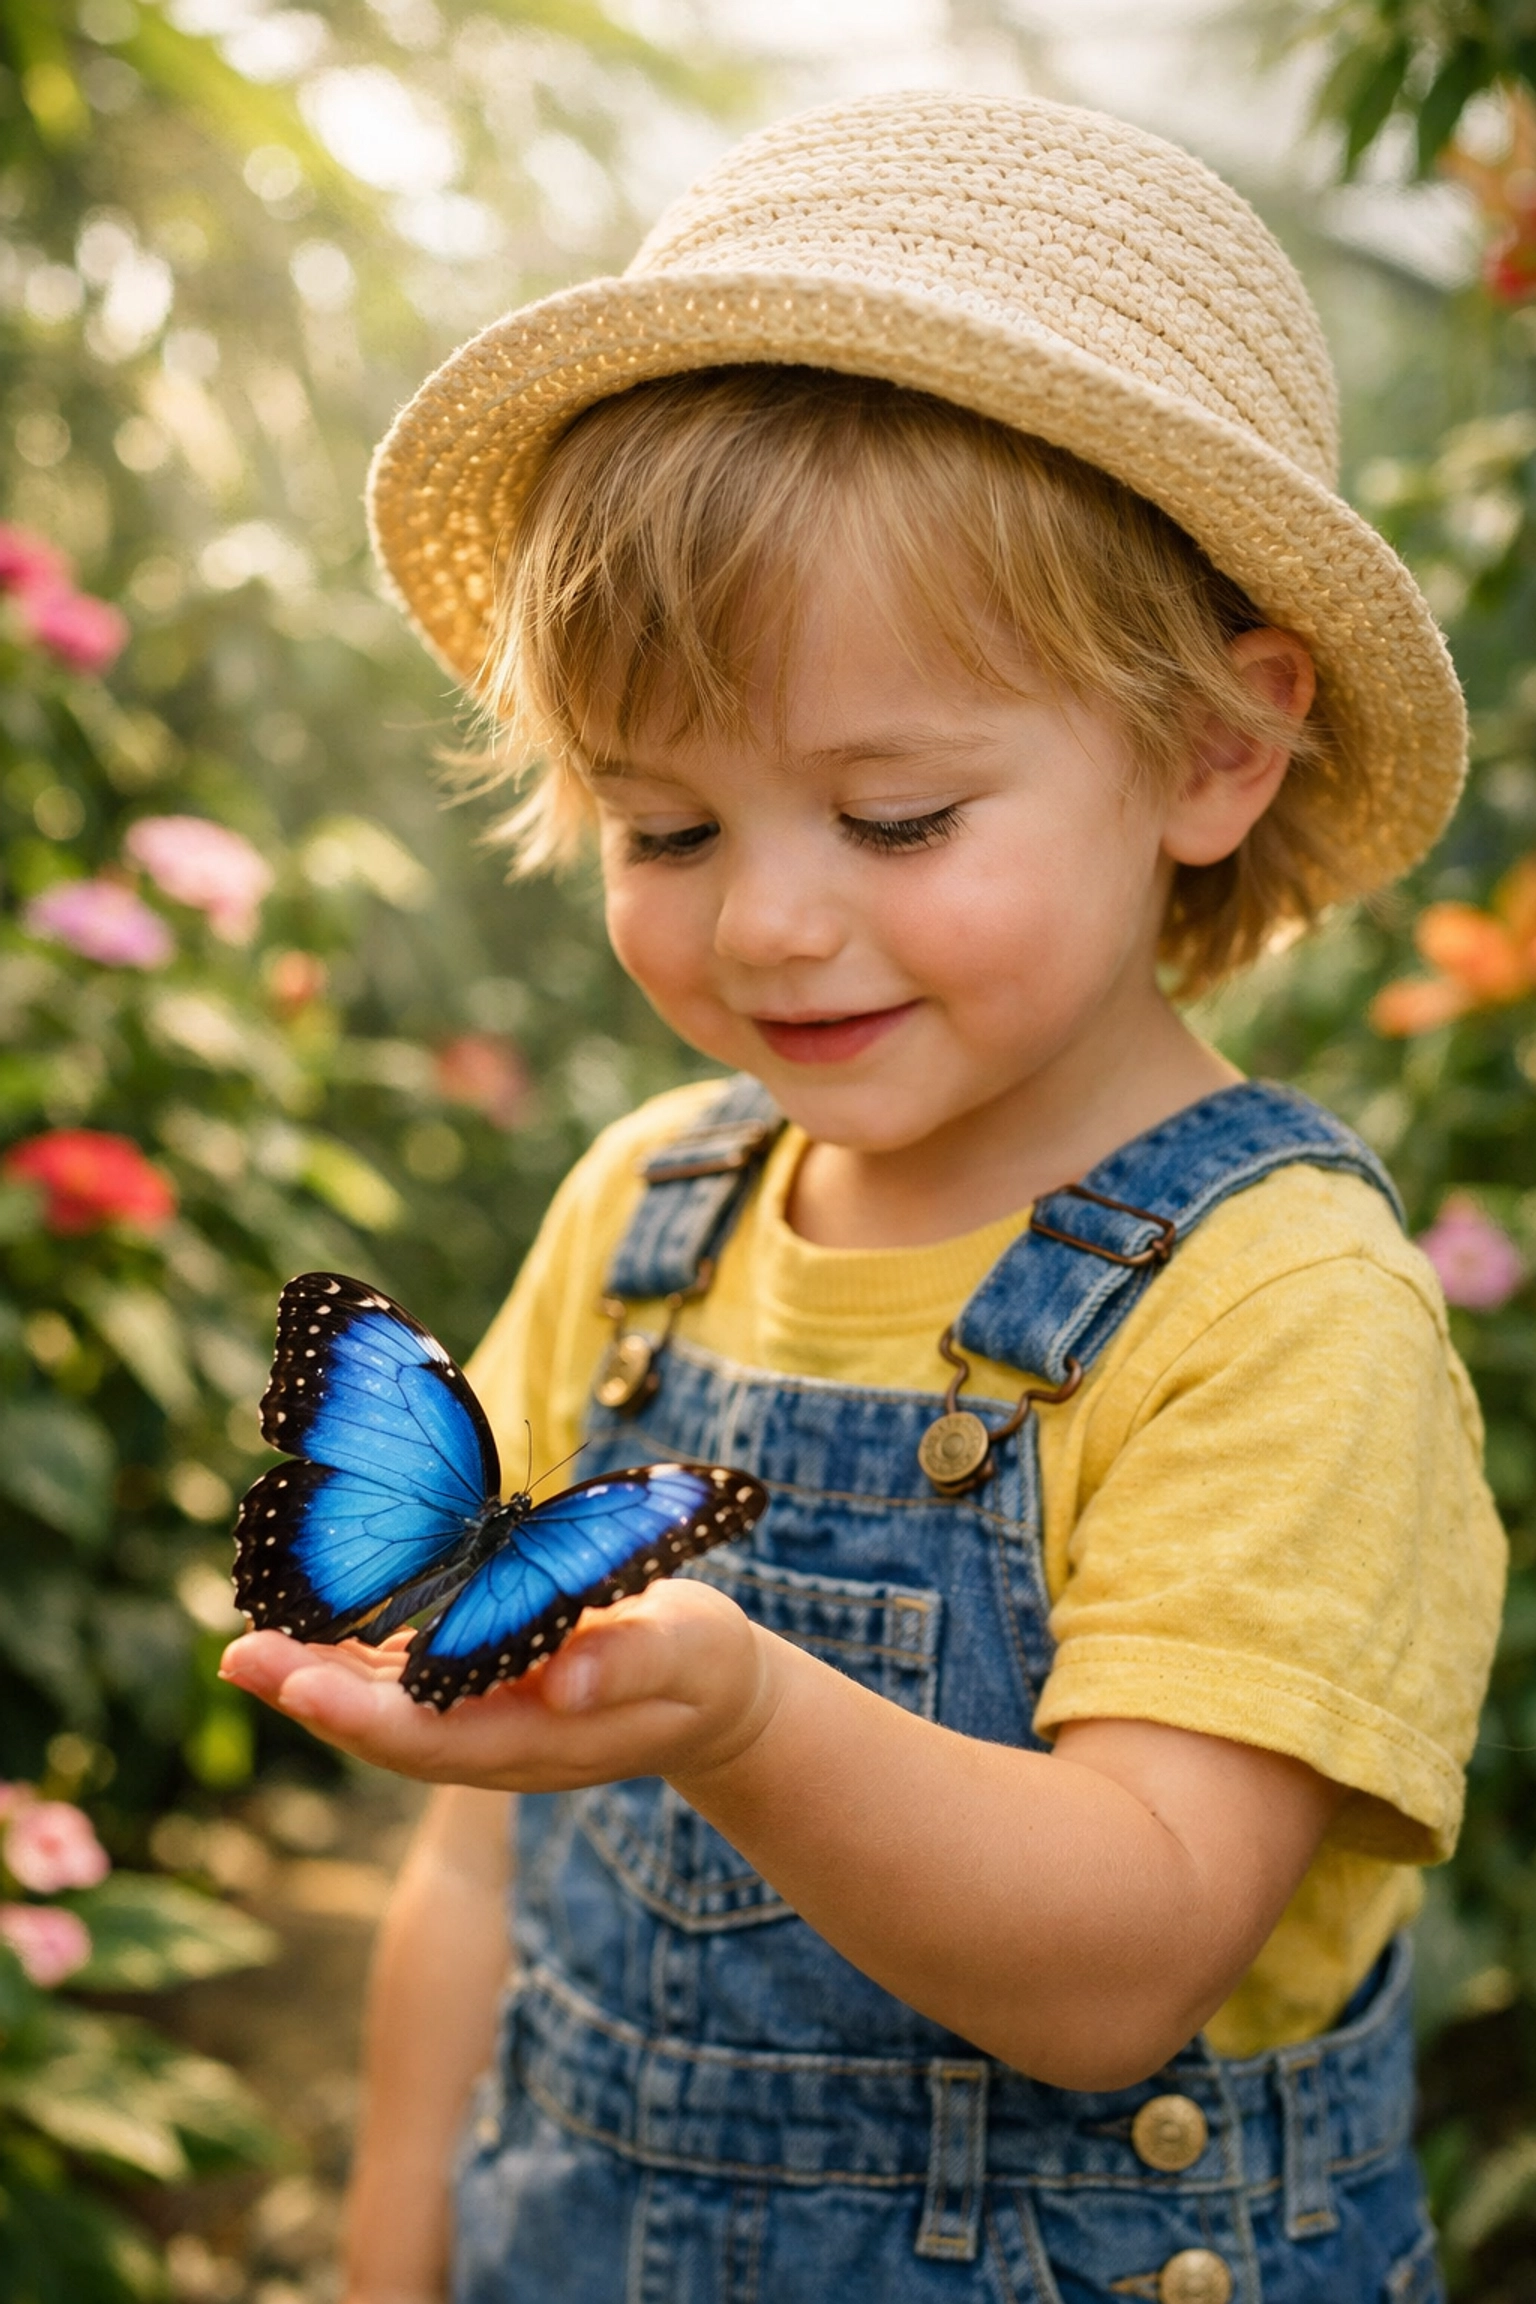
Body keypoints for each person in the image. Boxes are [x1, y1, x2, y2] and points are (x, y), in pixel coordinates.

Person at [221, 92, 1506, 2304]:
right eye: (668, 828)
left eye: (895, 816)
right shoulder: (650, 1209)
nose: (772, 932)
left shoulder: (1273, 1301)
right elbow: (471, 1876)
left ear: (1217, 747)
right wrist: (386, 2259)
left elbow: (1122, 1966)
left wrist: (749, 1718)